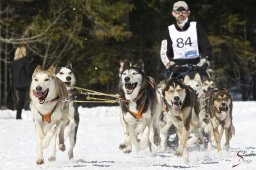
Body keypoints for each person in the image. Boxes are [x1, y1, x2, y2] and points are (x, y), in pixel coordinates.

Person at [160, 1, 212, 79]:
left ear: (188, 12)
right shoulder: (169, 30)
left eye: (183, 11)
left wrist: (205, 60)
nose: (181, 14)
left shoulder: (196, 27)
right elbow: (164, 53)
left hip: (196, 67)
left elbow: (206, 47)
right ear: (173, 13)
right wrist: (170, 65)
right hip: (177, 69)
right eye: (177, 11)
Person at [12, 46, 32, 119]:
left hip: (17, 83)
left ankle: (18, 115)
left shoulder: (15, 62)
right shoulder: (25, 61)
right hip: (25, 83)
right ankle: (19, 116)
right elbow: (28, 72)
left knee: (21, 99)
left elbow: (13, 72)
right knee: (25, 99)